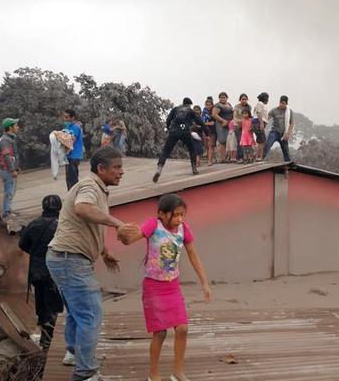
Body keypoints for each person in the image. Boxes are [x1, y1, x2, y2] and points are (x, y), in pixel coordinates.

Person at [45, 147, 137, 381]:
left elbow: (88, 223)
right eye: (116, 167)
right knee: (90, 314)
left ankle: (73, 353)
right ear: (101, 169)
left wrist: (104, 252)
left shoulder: (95, 187)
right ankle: (85, 373)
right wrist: (117, 223)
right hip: (69, 259)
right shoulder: (90, 186)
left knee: (78, 312)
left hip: (64, 257)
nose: (121, 172)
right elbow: (83, 209)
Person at [118, 194, 211, 381]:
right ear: (161, 213)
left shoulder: (183, 229)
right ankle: (154, 374)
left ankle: (177, 372)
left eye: (182, 215)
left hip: (172, 286)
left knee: (183, 328)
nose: (179, 219)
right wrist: (122, 233)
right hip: (153, 286)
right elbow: (130, 239)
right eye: (175, 215)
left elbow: (193, 254)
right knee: (159, 333)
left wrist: (204, 282)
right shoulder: (154, 225)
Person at [18, 195, 64, 351]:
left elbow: (22, 244)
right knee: (54, 306)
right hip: (54, 272)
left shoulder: (33, 224)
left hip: (36, 273)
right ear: (59, 208)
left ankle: (45, 339)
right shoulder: (61, 225)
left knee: (42, 305)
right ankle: (51, 340)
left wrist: (36, 253)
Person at [153, 98, 207, 182]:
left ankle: (159, 169)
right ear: (189, 104)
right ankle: (194, 169)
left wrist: (169, 128)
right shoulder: (190, 111)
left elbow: (168, 120)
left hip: (174, 132)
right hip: (185, 132)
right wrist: (206, 132)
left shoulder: (175, 109)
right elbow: (200, 121)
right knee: (192, 149)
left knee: (166, 151)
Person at [0, 117, 20, 223]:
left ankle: (8, 210)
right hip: (7, 170)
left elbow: (12, 155)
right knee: (9, 191)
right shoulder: (4, 140)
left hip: (9, 169)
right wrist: (12, 170)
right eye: (15, 125)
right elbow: (6, 156)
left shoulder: (9, 138)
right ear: (10, 127)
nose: (17, 127)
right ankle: (6, 214)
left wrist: (16, 167)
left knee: (12, 190)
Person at [263, 95, 294, 162]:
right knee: (267, 146)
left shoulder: (289, 112)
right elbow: (266, 118)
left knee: (286, 152)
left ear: (286, 104)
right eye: (280, 103)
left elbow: (292, 123)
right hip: (274, 132)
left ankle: (288, 166)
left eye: (283, 103)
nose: (281, 105)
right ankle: (260, 159)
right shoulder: (274, 110)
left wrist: (288, 134)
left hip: (284, 134)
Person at [63, 109, 84, 191]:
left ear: (72, 117)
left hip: (74, 155)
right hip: (69, 155)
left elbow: (71, 141)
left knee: (72, 178)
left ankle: (74, 196)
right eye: (64, 117)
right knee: (69, 177)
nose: (65, 119)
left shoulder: (75, 127)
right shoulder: (68, 127)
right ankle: (72, 195)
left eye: (67, 117)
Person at [211, 92, 234, 163]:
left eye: (224, 97)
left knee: (230, 140)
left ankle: (230, 157)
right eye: (221, 97)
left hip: (229, 124)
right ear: (219, 98)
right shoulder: (217, 105)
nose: (223, 99)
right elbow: (214, 114)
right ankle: (223, 158)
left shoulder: (229, 104)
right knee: (223, 141)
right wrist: (223, 120)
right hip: (221, 124)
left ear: (227, 98)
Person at [233, 93, 253, 163]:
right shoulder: (236, 107)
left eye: (245, 99)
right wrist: (241, 121)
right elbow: (235, 117)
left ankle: (249, 157)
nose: (244, 101)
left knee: (249, 144)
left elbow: (250, 116)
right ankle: (240, 157)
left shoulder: (249, 107)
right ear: (240, 100)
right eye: (242, 99)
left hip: (247, 127)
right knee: (240, 142)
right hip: (238, 126)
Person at [253, 92, 269, 161]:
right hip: (258, 123)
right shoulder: (260, 104)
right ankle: (258, 157)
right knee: (262, 141)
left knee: (261, 141)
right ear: (265, 99)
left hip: (259, 123)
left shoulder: (261, 105)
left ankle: (258, 157)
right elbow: (259, 113)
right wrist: (261, 123)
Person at [201, 97, 217, 166]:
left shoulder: (214, 111)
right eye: (207, 105)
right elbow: (202, 122)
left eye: (210, 105)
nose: (208, 106)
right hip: (206, 130)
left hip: (214, 130)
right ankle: (210, 160)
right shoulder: (204, 112)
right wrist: (209, 123)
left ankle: (210, 160)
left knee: (211, 145)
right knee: (208, 145)